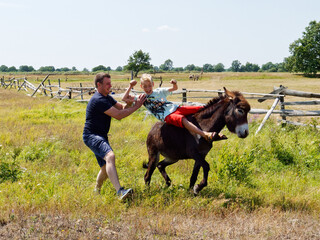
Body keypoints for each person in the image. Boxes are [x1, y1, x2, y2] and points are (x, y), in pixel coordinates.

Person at [83, 73, 146, 200]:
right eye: (107, 84)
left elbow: (122, 108)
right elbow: (119, 115)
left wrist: (129, 104)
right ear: (99, 85)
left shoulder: (107, 97)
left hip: (100, 135)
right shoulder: (98, 100)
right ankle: (120, 192)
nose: (110, 86)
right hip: (92, 135)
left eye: (110, 83)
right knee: (110, 156)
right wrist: (137, 106)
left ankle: (97, 189)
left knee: (106, 168)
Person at [122, 73, 225, 141]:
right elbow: (124, 98)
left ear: (153, 84)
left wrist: (174, 83)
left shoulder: (160, 91)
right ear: (141, 87)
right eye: (145, 86)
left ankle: (217, 130)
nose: (148, 88)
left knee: (201, 108)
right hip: (167, 116)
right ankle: (204, 134)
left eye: (149, 86)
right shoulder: (142, 97)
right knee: (182, 120)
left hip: (176, 108)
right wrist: (130, 86)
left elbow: (174, 88)